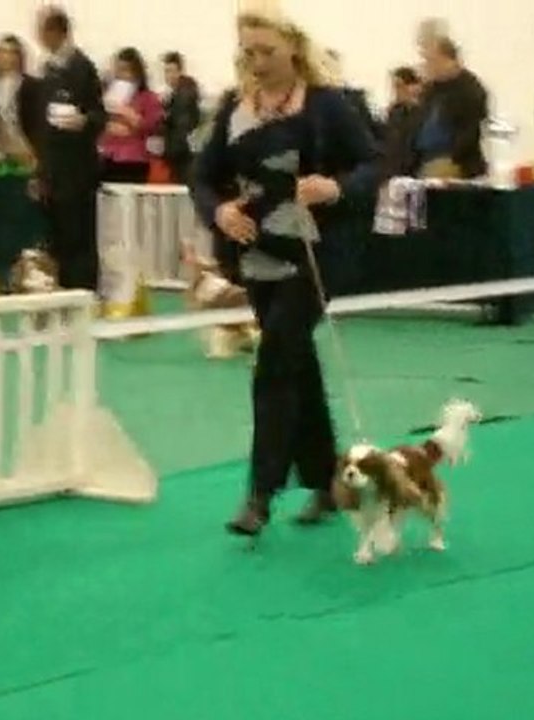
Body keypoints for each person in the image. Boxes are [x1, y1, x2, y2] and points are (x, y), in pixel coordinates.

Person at [190, 11, 381, 536]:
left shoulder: (327, 105)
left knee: (275, 358)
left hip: (316, 254)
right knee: (297, 363)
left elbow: (373, 165)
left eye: (267, 51)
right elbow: (202, 178)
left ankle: (260, 492)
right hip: (258, 257)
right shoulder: (234, 110)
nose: (258, 62)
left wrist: (334, 188)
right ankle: (327, 481)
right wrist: (219, 212)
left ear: (293, 48)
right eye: (249, 52)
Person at [33, 7, 105, 291]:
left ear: (57, 32)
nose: (39, 37)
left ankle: (84, 291)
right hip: (53, 168)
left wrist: (83, 121)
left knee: (79, 234)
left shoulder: (82, 67)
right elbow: (40, 125)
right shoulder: (47, 70)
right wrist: (40, 171)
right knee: (56, 236)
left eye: (43, 31)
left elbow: (99, 114)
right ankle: (59, 291)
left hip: (78, 169)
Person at [416, 36, 488, 179]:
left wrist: (453, 156)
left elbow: (470, 132)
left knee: (436, 172)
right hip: (423, 157)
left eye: (431, 61)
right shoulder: (430, 90)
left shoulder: (469, 89)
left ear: (447, 60)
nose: (427, 66)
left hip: (453, 160)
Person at [99, 47, 163, 183]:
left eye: (125, 70)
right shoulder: (107, 95)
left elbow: (152, 127)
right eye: (118, 70)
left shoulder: (148, 97)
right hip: (108, 155)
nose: (121, 75)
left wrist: (131, 115)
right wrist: (107, 126)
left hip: (133, 158)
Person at [0, 34, 42, 155]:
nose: (7, 57)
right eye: (2, 52)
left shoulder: (32, 86)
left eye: (12, 53)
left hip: (25, 147)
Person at [160, 51, 202, 184]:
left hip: (181, 153)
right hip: (182, 151)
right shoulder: (177, 94)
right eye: (166, 71)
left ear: (180, 71)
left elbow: (182, 127)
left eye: (172, 71)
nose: (169, 76)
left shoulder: (183, 96)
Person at [381, 66, 423, 178]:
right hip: (395, 165)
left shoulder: (423, 109)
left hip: (415, 163)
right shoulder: (395, 111)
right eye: (395, 87)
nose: (397, 91)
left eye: (400, 86)